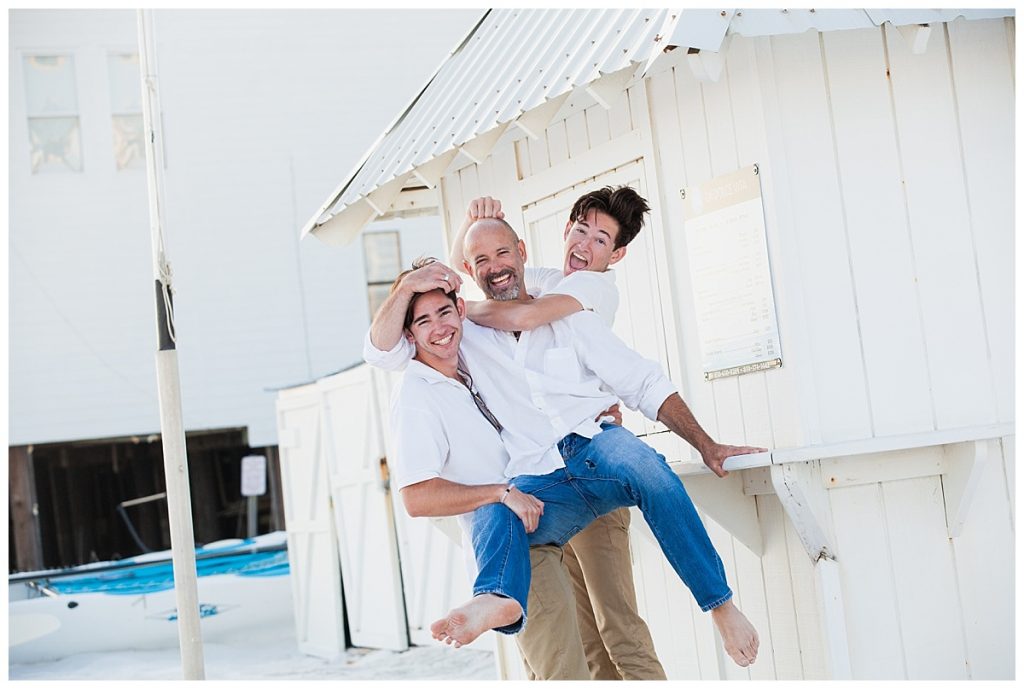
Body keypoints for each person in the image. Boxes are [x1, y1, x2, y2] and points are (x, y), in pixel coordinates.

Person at [367, 222, 763, 668]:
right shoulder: (460, 337)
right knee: (499, 507)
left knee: (647, 467)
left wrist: (707, 445)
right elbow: (381, 350)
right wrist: (410, 283)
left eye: (503, 254)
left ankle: (720, 604)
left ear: (522, 252)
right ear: (468, 272)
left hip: (593, 451)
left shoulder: (566, 310)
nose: (496, 268)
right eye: (481, 261)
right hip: (537, 483)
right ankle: (494, 597)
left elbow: (643, 382)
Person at [449, 190, 665, 680]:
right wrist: (470, 228)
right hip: (547, 489)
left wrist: (468, 311)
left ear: (617, 254)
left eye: (601, 238)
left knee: (619, 628)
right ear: (566, 229)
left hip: (594, 474)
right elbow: (472, 269)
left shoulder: (592, 290)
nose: (585, 244)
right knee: (587, 640)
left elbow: (520, 314)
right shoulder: (544, 279)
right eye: (581, 230)